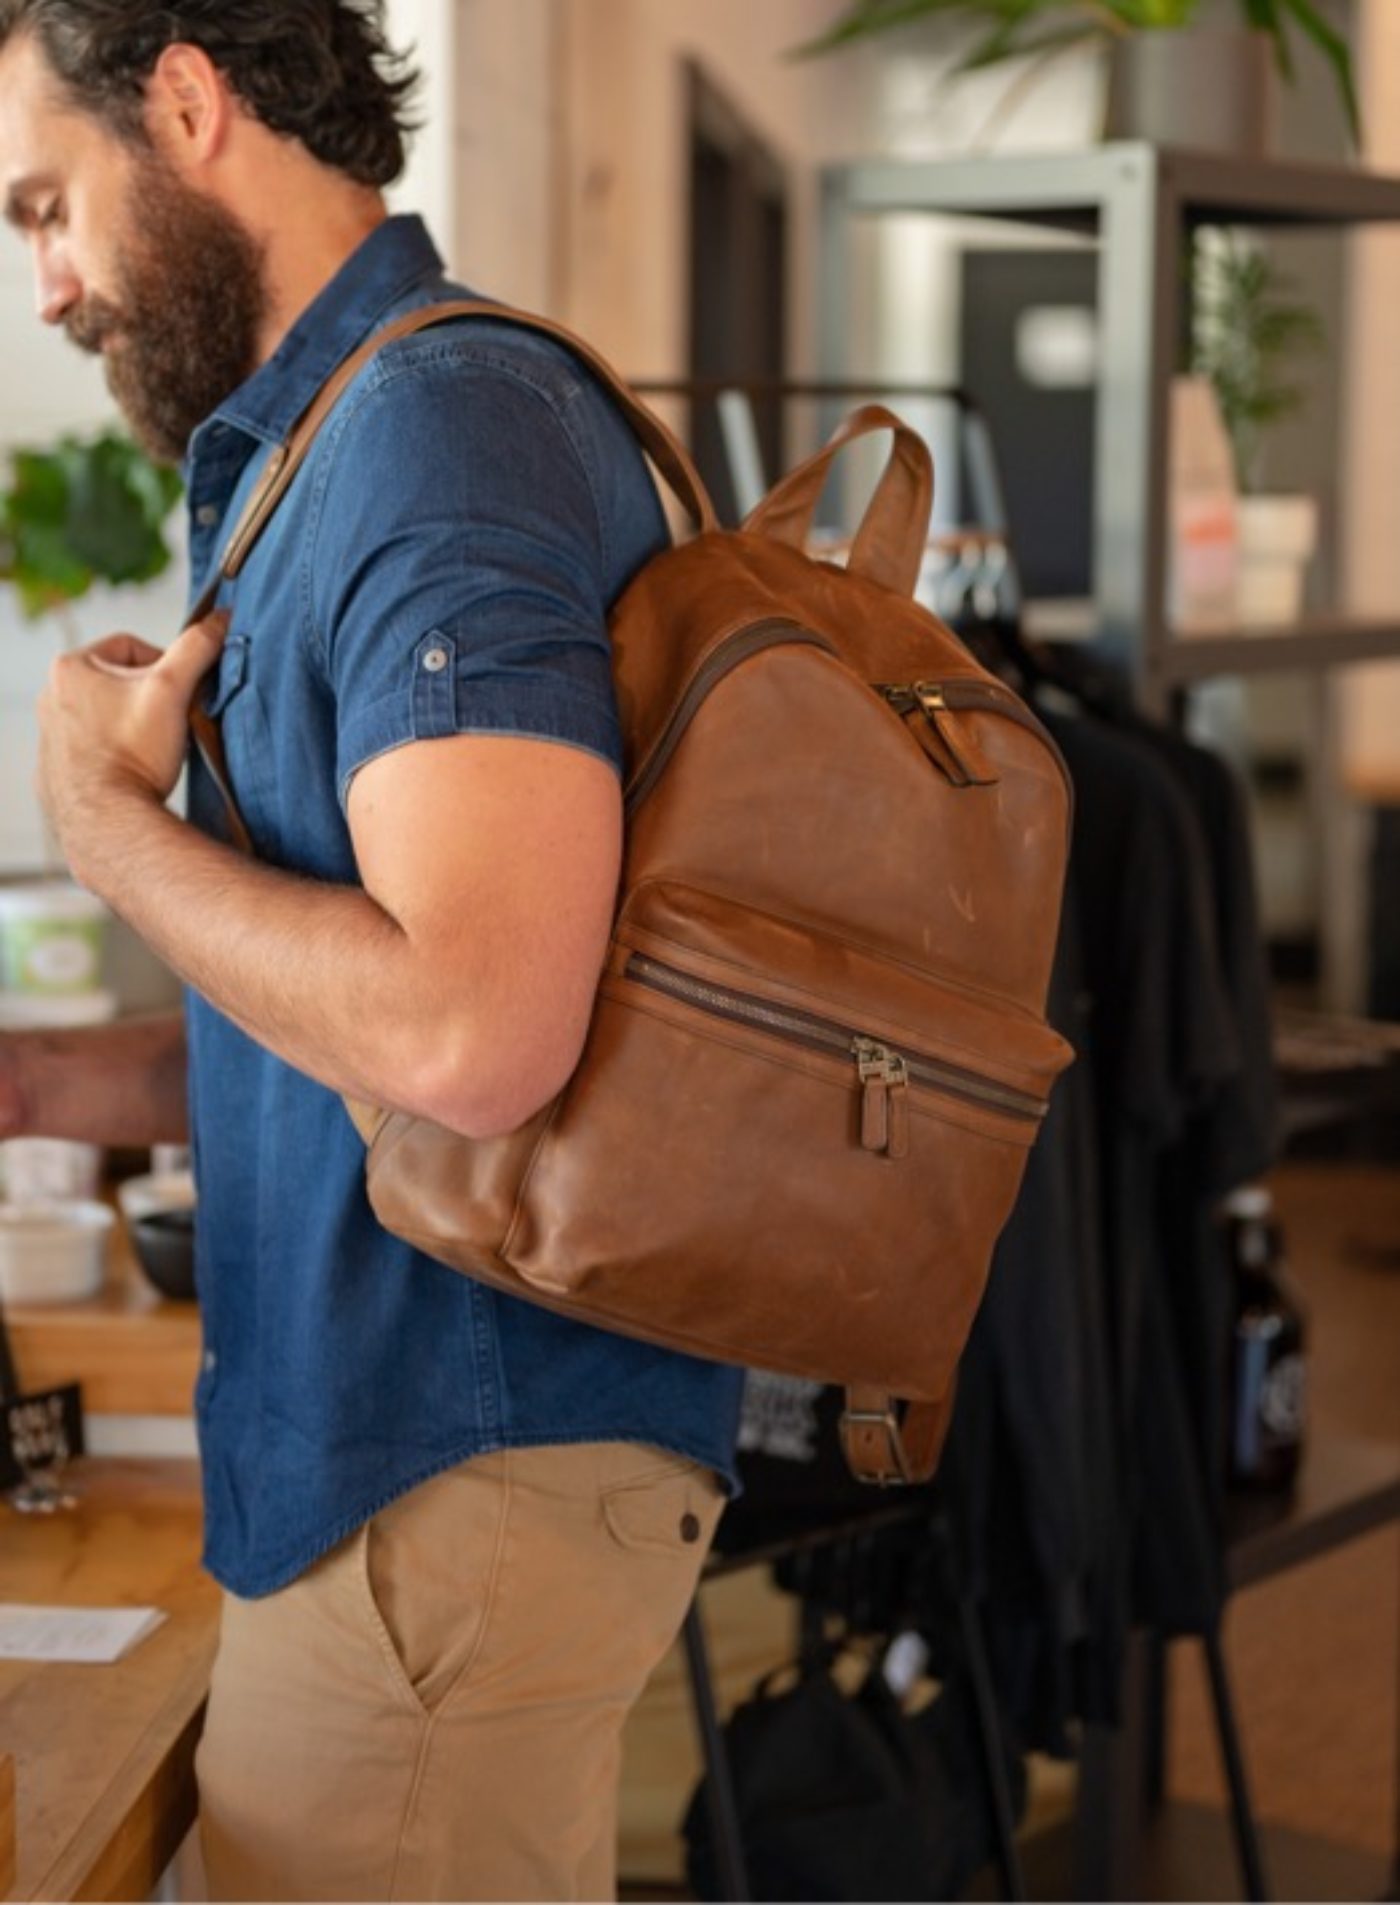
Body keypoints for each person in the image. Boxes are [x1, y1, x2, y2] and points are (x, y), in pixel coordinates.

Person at [0, 4, 744, 1897]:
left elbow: (474, 1029)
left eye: (46, 204)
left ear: (185, 98)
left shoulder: (436, 430)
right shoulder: (318, 448)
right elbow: (345, 998)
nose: (50, 285)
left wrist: (110, 831)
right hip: (420, 1470)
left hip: (451, 1469)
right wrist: (51, 1081)